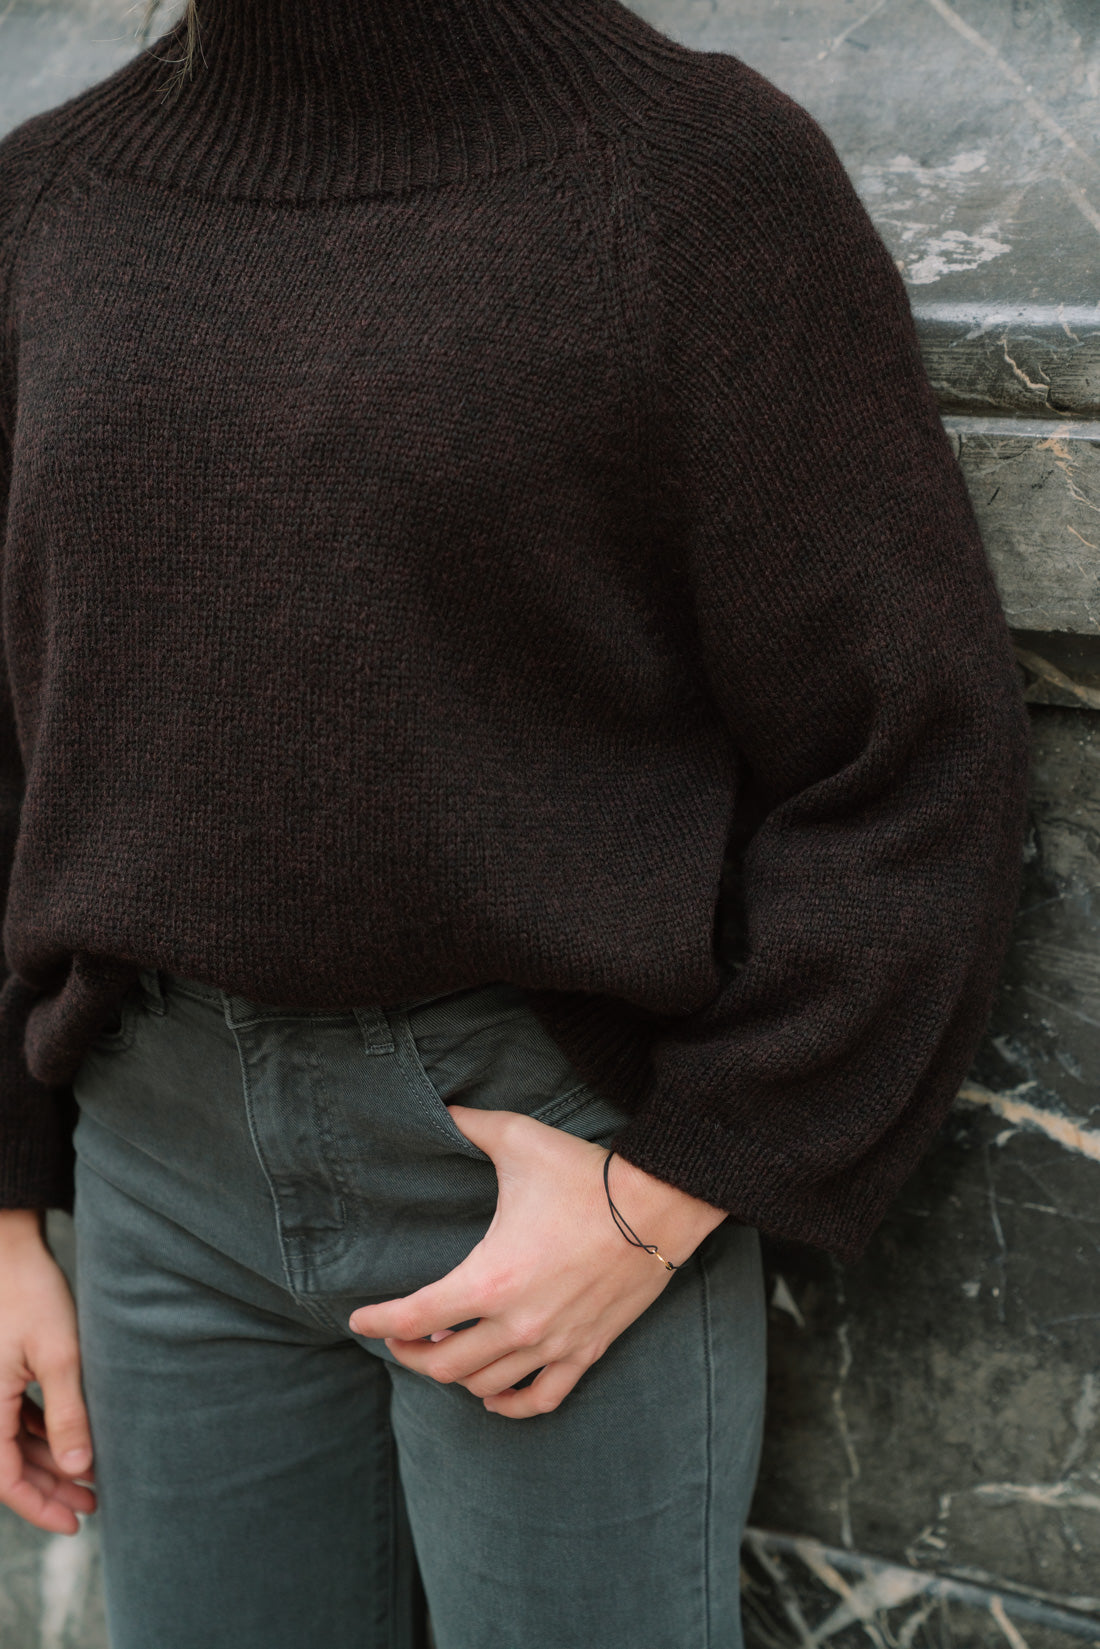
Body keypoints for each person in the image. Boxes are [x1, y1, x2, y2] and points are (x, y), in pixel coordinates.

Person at [0, 0, 1031, 1644]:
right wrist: (5, 1208)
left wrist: (665, 1191)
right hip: (154, 1176)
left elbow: (911, 748)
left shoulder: (689, 180)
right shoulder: (44, 202)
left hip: (545, 1164)